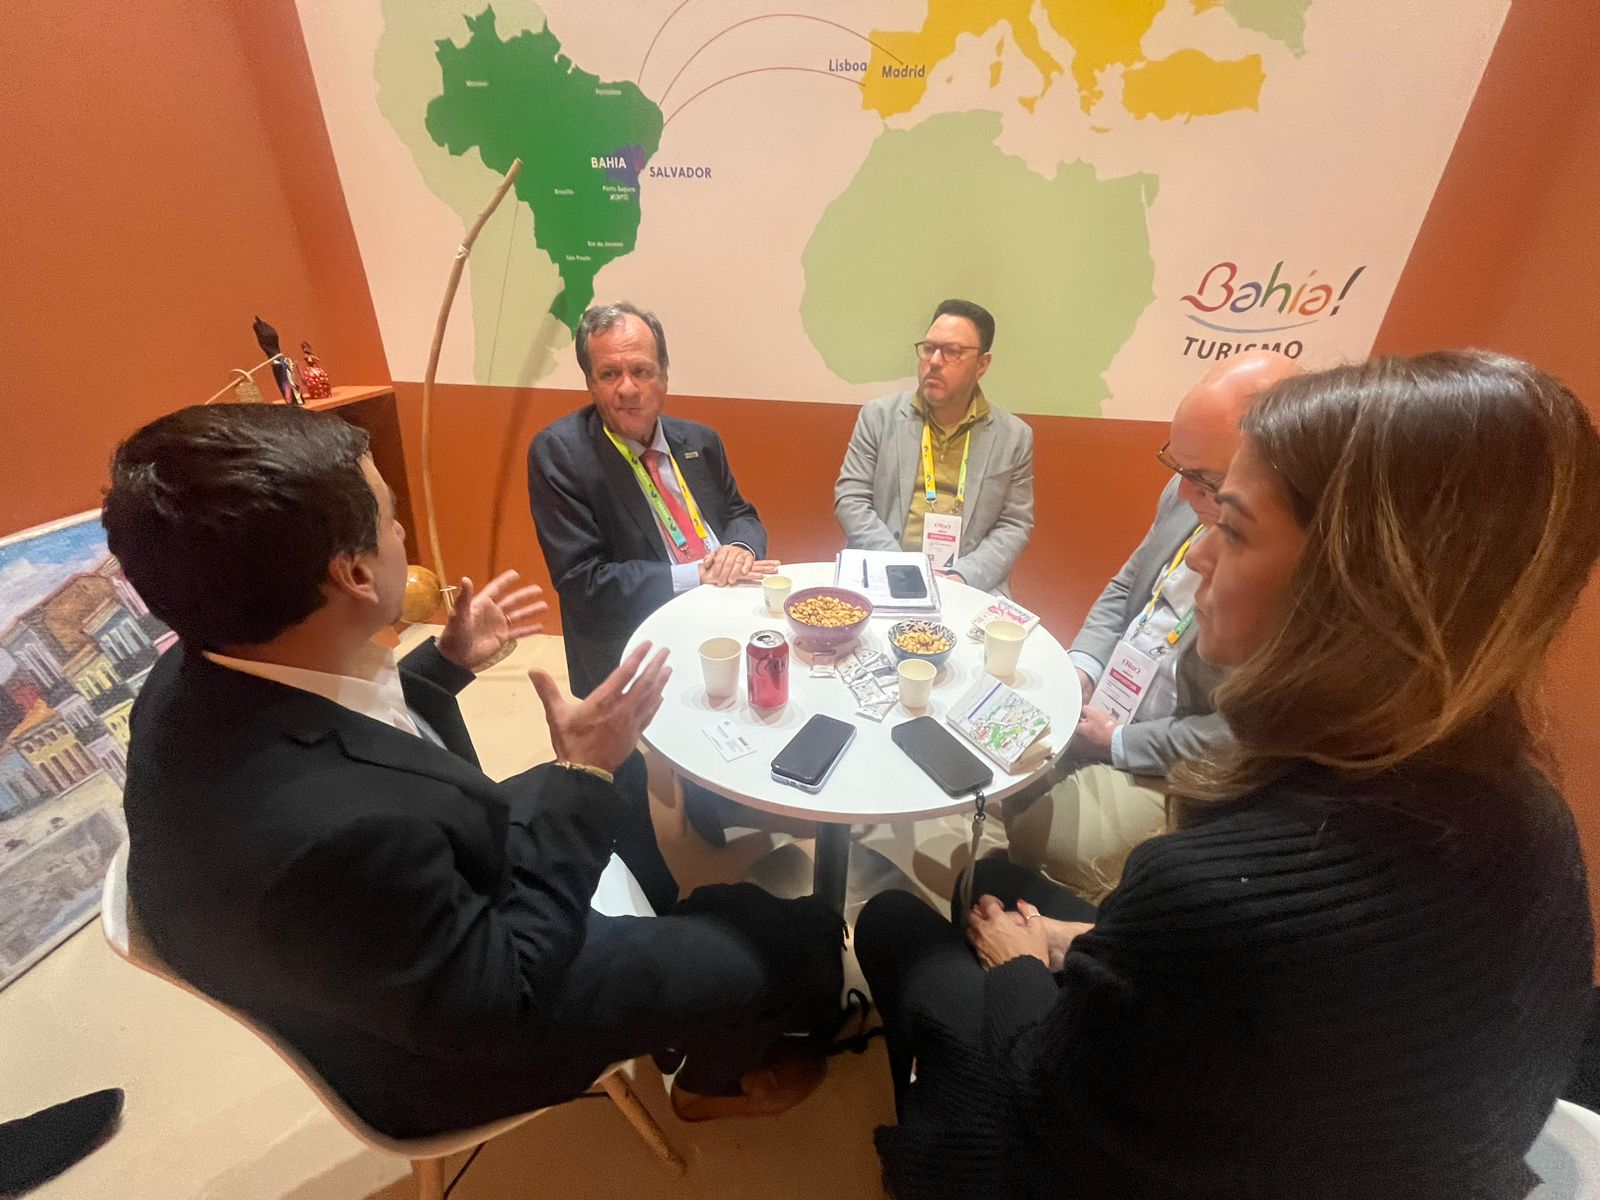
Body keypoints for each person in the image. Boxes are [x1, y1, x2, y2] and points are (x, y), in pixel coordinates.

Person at [855, 351, 1599, 1199]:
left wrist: (1020, 964)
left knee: (895, 924)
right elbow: (1251, 1011)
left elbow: (1048, 1095)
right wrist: (1080, 943)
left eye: (1234, 528)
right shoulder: (1538, 816)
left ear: (1359, 587)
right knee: (997, 881)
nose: (1200, 557)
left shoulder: (1211, 886)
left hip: (1075, 1158)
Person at [106, 404, 844, 1138]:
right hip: (473, 1032)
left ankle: (667, 951)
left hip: (414, 920)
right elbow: (503, 1002)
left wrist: (444, 667)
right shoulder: (330, 838)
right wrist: (580, 772)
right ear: (354, 574)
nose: (403, 535)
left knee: (628, 785)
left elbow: (355, 740)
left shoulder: (194, 671)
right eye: (391, 519)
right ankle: (714, 1082)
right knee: (784, 937)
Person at [1002, 351, 1297, 898]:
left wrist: (1119, 741)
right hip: (1107, 704)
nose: (1183, 493)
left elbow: (1244, 733)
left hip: (1172, 751)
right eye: (1177, 467)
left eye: (1205, 479)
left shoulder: (1300, 568)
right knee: (999, 752)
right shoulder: (1187, 494)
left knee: (1047, 835)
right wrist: (1081, 670)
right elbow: (1125, 589)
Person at [528, 301, 776, 698]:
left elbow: (739, 512)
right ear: (590, 383)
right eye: (610, 374)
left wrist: (739, 549)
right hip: (635, 637)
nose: (628, 388)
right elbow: (582, 582)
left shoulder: (700, 440)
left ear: (663, 376)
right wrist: (696, 575)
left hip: (723, 610)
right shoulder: (560, 454)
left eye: (641, 371)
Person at [834, 299, 1033, 594]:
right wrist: (902, 568)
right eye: (929, 348)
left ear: (982, 364)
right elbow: (851, 499)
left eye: (952, 351)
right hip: (884, 568)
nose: (935, 361)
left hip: (967, 582)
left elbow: (1014, 524)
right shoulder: (879, 417)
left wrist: (964, 577)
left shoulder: (1013, 436)